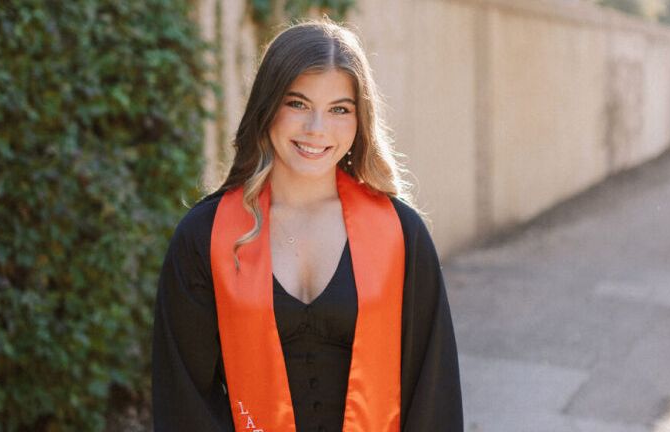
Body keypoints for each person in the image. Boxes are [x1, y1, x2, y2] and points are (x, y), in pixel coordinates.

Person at [152, 19, 463, 431]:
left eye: (339, 109)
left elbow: (432, 394)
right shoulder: (205, 238)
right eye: (297, 103)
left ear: (359, 121)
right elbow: (185, 398)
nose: (317, 129)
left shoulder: (400, 235)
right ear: (267, 108)